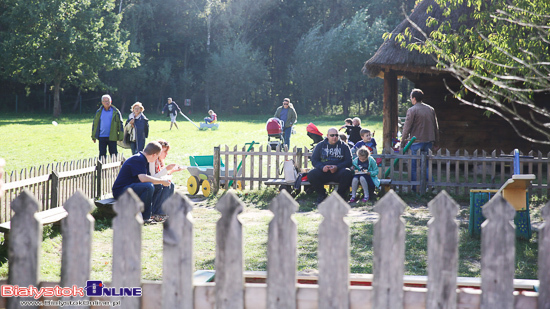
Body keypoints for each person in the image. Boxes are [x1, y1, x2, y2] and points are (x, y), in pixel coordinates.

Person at [112, 142, 171, 224]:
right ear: (153, 155)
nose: (156, 158)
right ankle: (145, 217)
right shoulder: (138, 159)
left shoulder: (143, 159)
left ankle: (151, 214)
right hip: (121, 191)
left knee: (157, 186)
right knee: (148, 186)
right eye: (157, 156)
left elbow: (148, 178)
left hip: (131, 187)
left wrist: (161, 182)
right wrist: (162, 181)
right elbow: (143, 179)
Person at [401, 88, 440, 192]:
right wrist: (436, 141)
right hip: (428, 141)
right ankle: (430, 185)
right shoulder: (430, 109)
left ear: (414, 98)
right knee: (426, 165)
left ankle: (414, 187)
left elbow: (407, 127)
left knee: (414, 166)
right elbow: (436, 127)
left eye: (411, 98)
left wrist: (402, 141)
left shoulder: (412, 110)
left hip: (416, 141)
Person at [309, 127, 354, 204]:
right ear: (327, 136)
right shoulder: (320, 145)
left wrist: (337, 167)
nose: (334, 137)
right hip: (324, 171)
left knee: (348, 173)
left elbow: (349, 161)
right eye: (332, 135)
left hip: (338, 172)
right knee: (311, 174)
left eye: (336, 135)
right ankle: (322, 194)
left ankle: (340, 195)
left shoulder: (344, 146)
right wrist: (322, 167)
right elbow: (314, 160)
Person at [149, 139, 186, 221]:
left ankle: (165, 211)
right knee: (164, 185)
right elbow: (153, 177)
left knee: (170, 184)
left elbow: (162, 175)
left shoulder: (160, 161)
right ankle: (158, 212)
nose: (166, 154)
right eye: (165, 152)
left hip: (156, 182)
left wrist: (172, 170)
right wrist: (166, 169)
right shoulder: (153, 160)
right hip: (150, 184)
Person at [91, 94, 124, 159]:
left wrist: (121, 136)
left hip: (112, 136)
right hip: (102, 136)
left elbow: (120, 124)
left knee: (114, 154)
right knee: (102, 154)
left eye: (108, 101)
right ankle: (102, 168)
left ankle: (115, 168)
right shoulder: (99, 112)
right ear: (102, 102)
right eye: (105, 101)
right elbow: (95, 124)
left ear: (111, 101)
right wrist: (93, 136)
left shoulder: (116, 111)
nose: (107, 102)